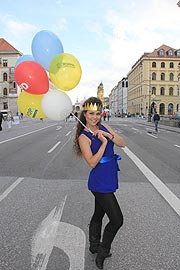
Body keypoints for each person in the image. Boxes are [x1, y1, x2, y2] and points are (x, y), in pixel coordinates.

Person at [73, 97, 126, 269]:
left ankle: (94, 246)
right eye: (91, 114)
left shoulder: (104, 127)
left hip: (110, 176)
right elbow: (92, 162)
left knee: (99, 213)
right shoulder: (84, 137)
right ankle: (102, 252)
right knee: (117, 220)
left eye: (98, 113)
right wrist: (103, 143)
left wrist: (108, 135)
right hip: (99, 181)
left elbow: (122, 143)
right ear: (84, 114)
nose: (95, 117)